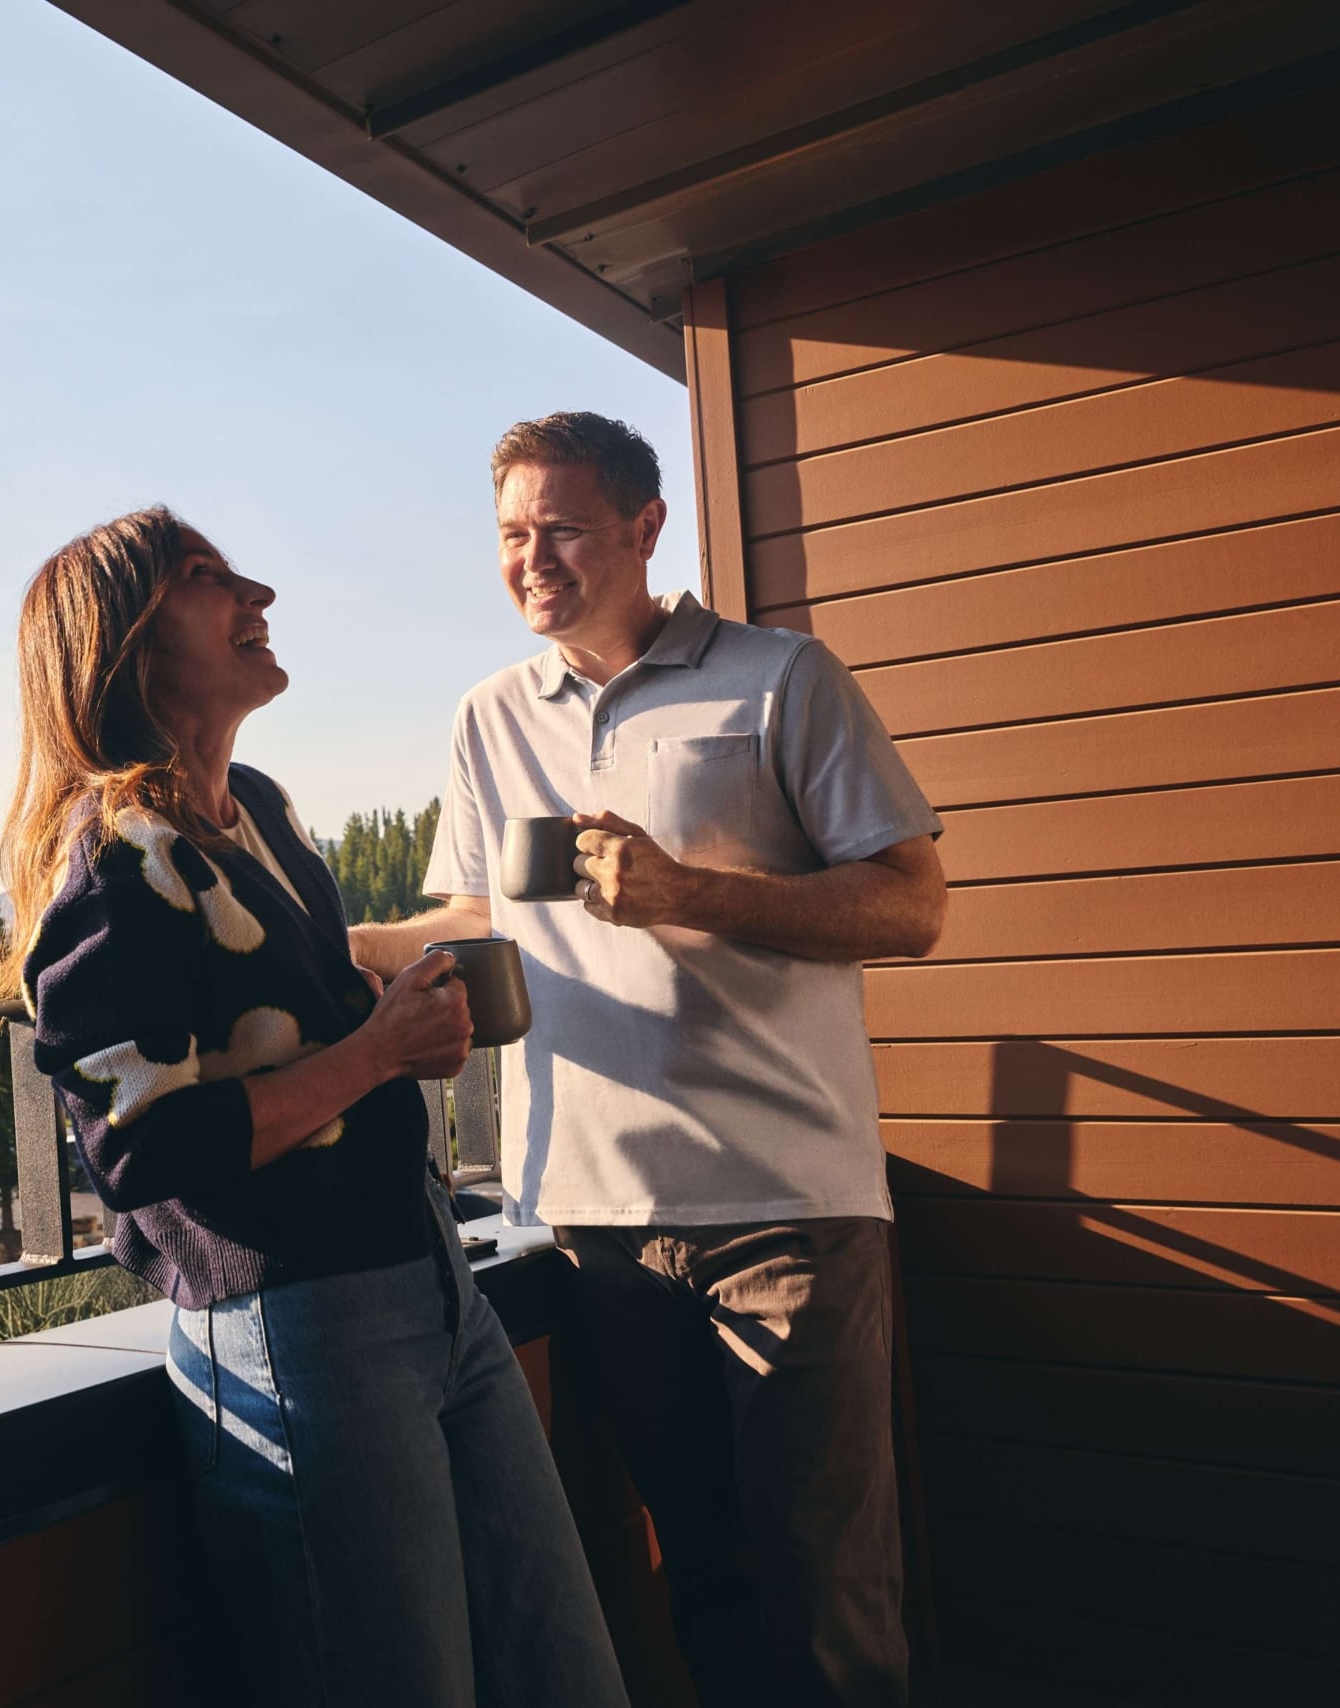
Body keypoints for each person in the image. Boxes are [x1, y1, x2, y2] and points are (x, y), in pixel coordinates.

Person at [349, 414, 947, 1707]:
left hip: (786, 1209)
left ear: (643, 528)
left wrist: (690, 892)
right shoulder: (489, 714)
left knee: (825, 1591)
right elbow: (478, 913)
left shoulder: (783, 679)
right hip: (592, 1222)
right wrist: (339, 945)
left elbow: (911, 907)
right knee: (698, 1581)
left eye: (561, 527)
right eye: (512, 534)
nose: (533, 558)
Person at [0, 506, 630, 1708]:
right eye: (207, 578)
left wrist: (396, 1030)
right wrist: (377, 1054)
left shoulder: (265, 815)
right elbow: (144, 1147)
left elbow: (324, 1038)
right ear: (126, 644)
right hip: (299, 1329)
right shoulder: (112, 859)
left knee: (566, 1668)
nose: (259, 592)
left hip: (434, 1286)